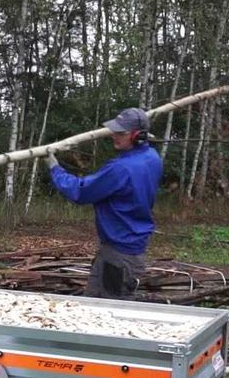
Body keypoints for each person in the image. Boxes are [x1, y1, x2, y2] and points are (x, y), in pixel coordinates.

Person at [45, 108, 162, 299]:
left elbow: (81, 192)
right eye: (114, 131)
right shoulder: (152, 157)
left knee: (108, 311)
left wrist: (54, 167)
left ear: (137, 136)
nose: (114, 136)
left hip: (119, 255)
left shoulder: (121, 168)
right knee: (95, 303)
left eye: (121, 133)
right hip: (128, 246)